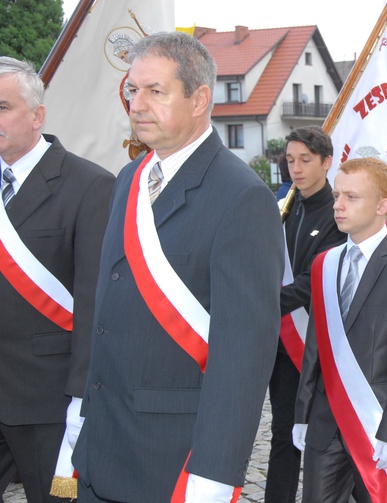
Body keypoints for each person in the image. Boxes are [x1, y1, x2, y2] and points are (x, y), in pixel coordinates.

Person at [72, 32, 284, 501]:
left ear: (199, 99)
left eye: (155, 91)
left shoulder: (242, 197)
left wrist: (215, 472)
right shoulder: (130, 177)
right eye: (132, 89)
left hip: (171, 458)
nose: (137, 103)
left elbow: (242, 356)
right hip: (101, 444)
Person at [0, 57, 114, 503]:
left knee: (59, 500)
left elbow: (94, 305)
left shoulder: (90, 186)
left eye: (2, 106)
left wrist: (82, 402)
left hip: (50, 405)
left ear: (37, 115)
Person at [293, 157, 387, 502]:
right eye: (337, 195)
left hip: (376, 426)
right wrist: (303, 413)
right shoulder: (324, 264)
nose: (338, 205)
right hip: (325, 426)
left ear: (382, 206)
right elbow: (315, 347)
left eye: (351, 197)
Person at [266, 126, 346, 503]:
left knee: (324, 432)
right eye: (290, 160)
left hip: (319, 342)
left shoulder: (337, 213)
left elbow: (313, 279)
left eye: (305, 160)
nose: (295, 168)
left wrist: (260, 303)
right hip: (282, 343)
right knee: (283, 432)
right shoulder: (286, 207)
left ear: (326, 162)